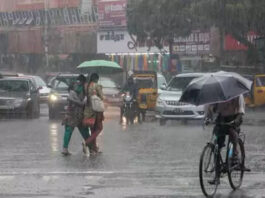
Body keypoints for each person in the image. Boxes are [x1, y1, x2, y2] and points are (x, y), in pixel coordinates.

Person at [205, 94, 245, 184]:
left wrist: (235, 121)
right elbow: (211, 108)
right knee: (216, 146)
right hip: (221, 119)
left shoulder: (239, 95)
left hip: (234, 118)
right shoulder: (218, 94)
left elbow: (241, 112)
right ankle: (217, 176)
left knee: (233, 134)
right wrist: (208, 117)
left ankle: (234, 156)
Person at [61, 75, 89, 156]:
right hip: (79, 113)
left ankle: (65, 149)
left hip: (70, 112)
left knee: (68, 130)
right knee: (84, 130)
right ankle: (91, 146)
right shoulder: (83, 88)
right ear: (84, 81)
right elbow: (83, 102)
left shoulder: (73, 86)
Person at [84, 73, 104, 154]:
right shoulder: (97, 86)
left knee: (93, 129)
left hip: (88, 110)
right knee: (99, 128)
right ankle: (87, 142)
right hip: (96, 110)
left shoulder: (86, 86)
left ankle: (94, 148)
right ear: (96, 79)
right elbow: (102, 97)